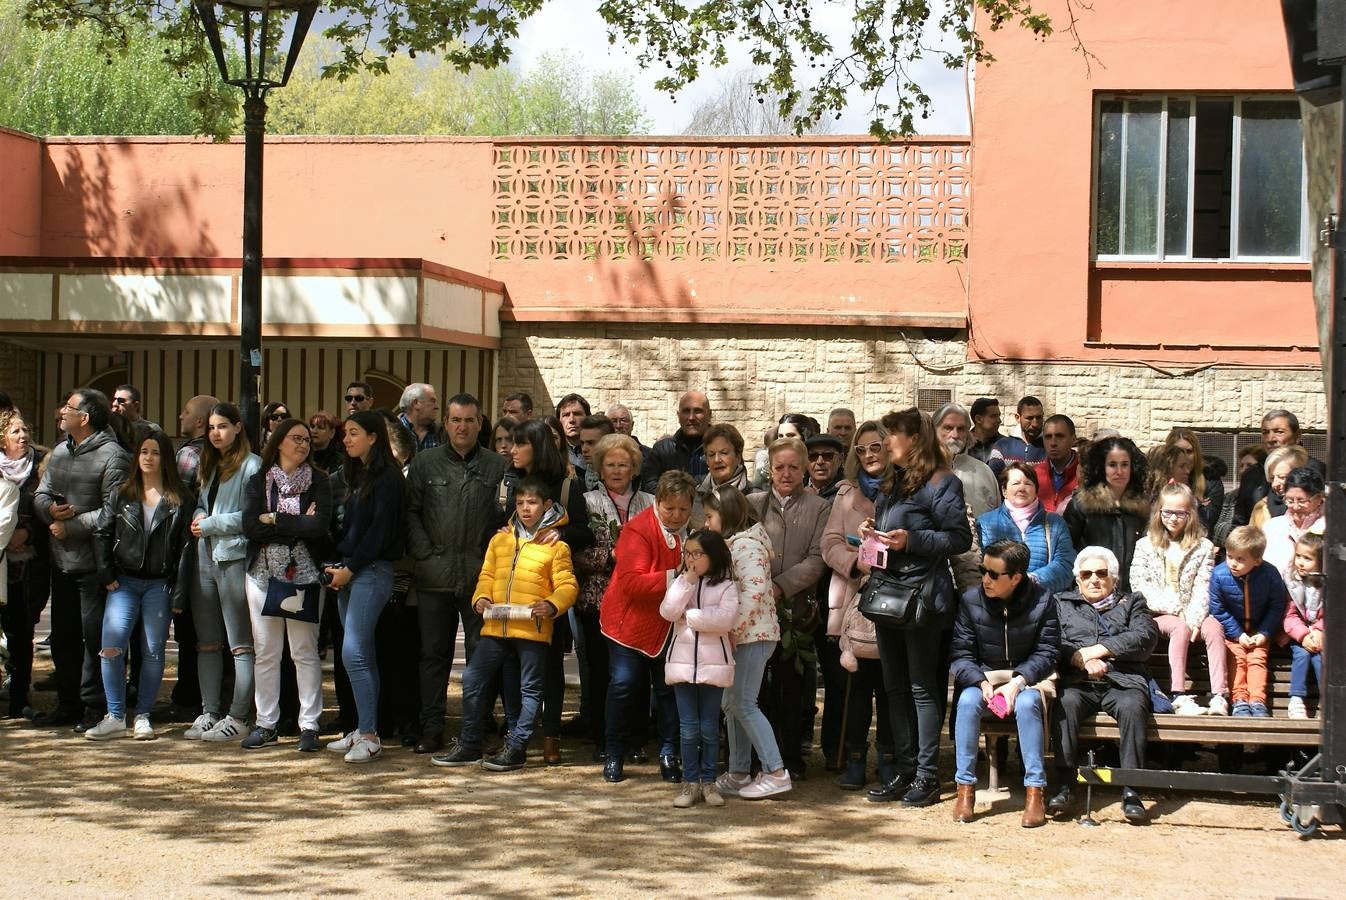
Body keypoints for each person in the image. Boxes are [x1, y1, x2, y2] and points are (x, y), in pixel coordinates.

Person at [859, 408, 972, 807]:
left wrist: (913, 540)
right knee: (894, 689)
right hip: (889, 597)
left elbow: (959, 539)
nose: (885, 443)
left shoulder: (944, 483)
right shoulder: (891, 484)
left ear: (914, 439)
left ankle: (927, 775)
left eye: (891, 435)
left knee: (923, 689)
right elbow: (890, 537)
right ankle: (904, 771)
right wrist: (872, 536)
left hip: (924, 600)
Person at [431, 477, 579, 771]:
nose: (525, 509)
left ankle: (517, 747)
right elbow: (486, 576)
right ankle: (471, 742)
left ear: (547, 505)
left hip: (532, 629)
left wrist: (551, 605)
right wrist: (481, 598)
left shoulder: (556, 546)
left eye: (533, 503)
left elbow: (567, 585)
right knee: (473, 679)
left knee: (529, 689)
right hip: (496, 627)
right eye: (520, 503)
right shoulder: (500, 539)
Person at [404, 393, 506, 755]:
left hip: (481, 577)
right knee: (433, 655)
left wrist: (490, 559)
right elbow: (411, 512)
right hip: (434, 575)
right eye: (455, 420)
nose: (462, 427)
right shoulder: (425, 464)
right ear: (445, 423)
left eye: (469, 420)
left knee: (483, 654)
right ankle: (432, 727)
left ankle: (477, 726)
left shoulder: (498, 467)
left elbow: (506, 520)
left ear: (480, 423)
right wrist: (424, 553)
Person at [33, 388, 132, 729]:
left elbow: (114, 511)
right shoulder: (61, 451)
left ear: (85, 418)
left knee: (94, 638)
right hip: (61, 560)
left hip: (94, 563)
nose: (62, 411)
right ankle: (68, 703)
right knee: (63, 637)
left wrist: (71, 526)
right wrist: (49, 509)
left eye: (69, 407)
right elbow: (41, 492)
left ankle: (94, 706)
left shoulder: (114, 456)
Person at [85, 431, 193, 740]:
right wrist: (106, 574)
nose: (148, 457)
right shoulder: (123, 493)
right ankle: (115, 715)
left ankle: (143, 715)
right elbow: (102, 532)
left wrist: (179, 592)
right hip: (123, 582)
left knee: (153, 650)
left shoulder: (180, 498)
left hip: (159, 584)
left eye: (155, 452)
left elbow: (186, 549)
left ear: (166, 458)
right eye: (143, 451)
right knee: (111, 647)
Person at [238, 418, 333, 752]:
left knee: (304, 652)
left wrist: (275, 518)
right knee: (266, 652)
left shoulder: (319, 482)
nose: (303, 444)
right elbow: (250, 526)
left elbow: (319, 526)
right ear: (278, 442)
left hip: (304, 577)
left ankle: (309, 725)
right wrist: (296, 522)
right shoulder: (257, 481)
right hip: (261, 577)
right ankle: (266, 724)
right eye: (296, 438)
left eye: (307, 440)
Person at [950, 539, 1059, 827]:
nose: (985, 579)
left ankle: (1035, 792)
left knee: (1027, 703)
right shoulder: (971, 601)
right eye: (982, 570)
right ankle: (965, 789)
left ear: (1016, 578)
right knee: (967, 700)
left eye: (993, 574)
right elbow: (961, 654)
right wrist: (979, 681)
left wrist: (1019, 681)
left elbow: (1048, 652)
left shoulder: (1043, 600)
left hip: (1028, 680)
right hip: (984, 677)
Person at [599, 470, 696, 783]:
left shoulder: (694, 531)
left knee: (669, 691)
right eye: (670, 509)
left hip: (669, 626)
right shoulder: (638, 529)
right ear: (658, 503)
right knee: (624, 686)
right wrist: (676, 574)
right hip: (628, 625)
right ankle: (614, 753)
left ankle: (669, 755)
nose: (676, 516)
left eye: (683, 509)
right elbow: (630, 584)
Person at [1049, 546, 1159, 824]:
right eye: (1087, 574)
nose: (1094, 579)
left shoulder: (1132, 602)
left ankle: (1132, 789)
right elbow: (1052, 641)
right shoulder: (1061, 603)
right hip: (1078, 681)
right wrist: (1078, 659)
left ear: (1114, 578)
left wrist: (1099, 650)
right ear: (1078, 579)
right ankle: (1064, 785)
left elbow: (1144, 637)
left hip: (1123, 681)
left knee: (1134, 707)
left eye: (1101, 573)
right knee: (1065, 703)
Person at [323, 411, 406, 762]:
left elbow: (381, 532)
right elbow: (353, 530)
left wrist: (350, 568)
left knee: (353, 652)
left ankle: (370, 735)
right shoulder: (361, 475)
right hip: (351, 570)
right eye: (345, 434)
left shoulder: (388, 477)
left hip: (371, 572)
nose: (346, 439)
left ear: (374, 437)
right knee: (360, 653)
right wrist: (340, 563)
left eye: (354, 433)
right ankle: (362, 727)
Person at [747, 436, 831, 780]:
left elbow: (817, 558)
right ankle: (755, 758)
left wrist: (780, 586)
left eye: (793, 467)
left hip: (796, 609)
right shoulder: (752, 504)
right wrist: (758, 588)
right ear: (769, 469)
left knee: (792, 687)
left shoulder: (819, 508)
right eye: (779, 467)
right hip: (754, 610)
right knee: (756, 687)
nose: (785, 473)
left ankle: (791, 758)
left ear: (805, 468)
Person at [701, 486, 792, 800]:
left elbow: (753, 593)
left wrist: (732, 629)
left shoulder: (747, 546)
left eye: (710, 517)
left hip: (753, 637)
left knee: (743, 704)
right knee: (732, 704)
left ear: (726, 516)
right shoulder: (736, 544)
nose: (706, 523)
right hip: (744, 636)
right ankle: (739, 772)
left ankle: (775, 771)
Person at [821, 420, 896, 791]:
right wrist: (855, 561)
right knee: (853, 686)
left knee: (889, 687)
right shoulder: (845, 494)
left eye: (876, 447)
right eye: (862, 449)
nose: (868, 455)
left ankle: (887, 757)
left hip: (897, 599)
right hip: (854, 598)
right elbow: (829, 542)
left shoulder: (905, 488)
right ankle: (853, 757)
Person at [574, 434, 655, 756]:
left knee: (635, 675)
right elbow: (574, 550)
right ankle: (604, 741)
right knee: (600, 674)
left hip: (640, 602)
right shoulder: (586, 500)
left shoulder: (650, 503)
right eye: (610, 464)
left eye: (624, 464)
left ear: (634, 468)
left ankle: (635, 740)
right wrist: (608, 558)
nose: (617, 470)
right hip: (597, 600)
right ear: (600, 468)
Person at [186, 402, 262, 742]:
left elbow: (251, 515)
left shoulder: (252, 465)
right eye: (212, 428)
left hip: (233, 557)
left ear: (238, 427)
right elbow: (205, 503)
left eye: (222, 426)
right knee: (207, 642)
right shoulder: (211, 463)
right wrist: (200, 515)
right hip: (204, 555)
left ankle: (239, 715)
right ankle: (209, 711)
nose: (216, 433)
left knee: (240, 643)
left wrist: (211, 523)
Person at [1128, 483, 1226, 716]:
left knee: (1214, 629)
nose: (1173, 518)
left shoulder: (1203, 547)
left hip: (1194, 612)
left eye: (1180, 513)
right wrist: (1176, 610)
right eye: (1167, 512)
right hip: (1157, 614)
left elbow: (1204, 586)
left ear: (1190, 514)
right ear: (1159, 512)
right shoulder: (1145, 545)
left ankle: (1219, 695)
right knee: (1179, 627)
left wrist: (1193, 617)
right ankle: (1179, 694)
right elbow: (1140, 587)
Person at [660, 529, 739, 807]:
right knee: (688, 728)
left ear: (713, 556)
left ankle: (709, 782)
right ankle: (689, 783)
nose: (690, 559)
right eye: (688, 553)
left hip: (713, 666)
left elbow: (725, 619)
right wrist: (686, 583)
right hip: (682, 666)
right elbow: (668, 612)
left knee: (708, 727)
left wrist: (690, 616)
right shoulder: (682, 581)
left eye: (697, 554)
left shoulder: (727, 586)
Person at [1, 408, 49, 720]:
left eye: (25, 430)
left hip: (29, 566)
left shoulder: (42, 465)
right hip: (0, 562)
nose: (23, 436)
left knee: (21, 632)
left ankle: (20, 697)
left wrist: (28, 530)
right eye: (15, 431)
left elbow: (49, 504)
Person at [1208, 526, 1287, 718]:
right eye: (1230, 556)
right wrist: (1238, 634)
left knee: (1257, 659)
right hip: (1233, 632)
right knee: (1238, 659)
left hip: (1259, 631)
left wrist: (1265, 632)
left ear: (1257, 560)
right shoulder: (1219, 575)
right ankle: (1240, 700)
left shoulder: (1269, 574)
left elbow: (1277, 605)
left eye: (1240, 559)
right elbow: (1218, 609)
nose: (1233, 563)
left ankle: (1258, 701)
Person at [1063, 436, 1149, 594]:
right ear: (1102, 467)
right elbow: (1066, 552)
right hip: (1091, 594)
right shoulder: (1082, 505)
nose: (1120, 471)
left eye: (1125, 465)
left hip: (1131, 596)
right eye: (1112, 465)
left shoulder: (1142, 508)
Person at [976, 462, 1076, 595]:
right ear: (1004, 490)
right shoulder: (985, 522)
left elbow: (1066, 565)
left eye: (1028, 483)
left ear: (1036, 489)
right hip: (998, 605)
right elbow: (980, 567)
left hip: (1042, 602)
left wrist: (1030, 580)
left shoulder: (1055, 522)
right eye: (1016, 483)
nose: (1022, 488)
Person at [1233, 410, 1323, 528]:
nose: (1270, 439)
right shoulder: (1251, 475)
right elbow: (1239, 522)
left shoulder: (1317, 471)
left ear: (1297, 436)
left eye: (1279, 432)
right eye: (1265, 433)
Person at [1282, 532, 1324, 720]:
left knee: (1321, 657)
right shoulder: (1291, 581)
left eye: (1307, 558)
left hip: (1321, 634)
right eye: (1298, 556)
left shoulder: (1328, 583)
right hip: (1298, 634)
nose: (1300, 562)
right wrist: (1303, 634)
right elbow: (1288, 615)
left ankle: (1329, 699)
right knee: (1302, 653)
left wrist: (1319, 630)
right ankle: (1296, 698)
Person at [933, 402, 999, 517]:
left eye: (961, 429)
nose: (955, 435)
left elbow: (996, 517)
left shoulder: (983, 471)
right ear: (933, 430)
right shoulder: (921, 469)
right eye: (948, 428)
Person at [642, 391, 713, 491]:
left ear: (709, 414)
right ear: (678, 416)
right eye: (686, 411)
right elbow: (649, 485)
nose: (691, 417)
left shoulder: (725, 448)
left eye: (698, 411)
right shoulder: (662, 450)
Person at [1163, 428, 1223, 534]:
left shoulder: (1210, 480)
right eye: (1179, 451)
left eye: (1189, 451)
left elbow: (1207, 521)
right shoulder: (1159, 480)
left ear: (1196, 454)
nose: (1185, 457)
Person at [1249, 445, 1309, 529]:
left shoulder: (1317, 507)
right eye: (1272, 478)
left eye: (1282, 477)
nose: (1275, 484)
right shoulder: (1262, 508)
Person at [988, 396, 1046, 475]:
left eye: (1039, 417)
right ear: (1018, 417)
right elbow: (993, 481)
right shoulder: (1001, 447)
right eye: (1029, 418)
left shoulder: (1050, 446)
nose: (1035, 424)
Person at [1034, 414, 1080, 514]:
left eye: (1060, 436)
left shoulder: (1086, 473)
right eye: (1048, 437)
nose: (1053, 443)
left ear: (1073, 439)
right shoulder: (1034, 475)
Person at [698, 423, 758, 498]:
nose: (717, 460)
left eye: (724, 453)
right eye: (711, 454)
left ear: (738, 457)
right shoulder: (695, 496)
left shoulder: (756, 498)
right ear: (706, 460)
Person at [175, 394, 218, 488]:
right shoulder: (221, 449)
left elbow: (179, 496)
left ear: (199, 421)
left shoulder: (189, 453)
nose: (181, 416)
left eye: (187, 412)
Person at [555, 393, 591, 478]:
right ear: (558, 421)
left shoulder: (599, 448)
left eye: (577, 414)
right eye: (566, 415)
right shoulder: (553, 451)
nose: (571, 420)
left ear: (588, 417)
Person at [397, 384, 440, 452]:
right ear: (416, 403)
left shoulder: (442, 433)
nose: (437, 407)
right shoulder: (391, 431)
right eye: (432, 401)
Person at [578, 414, 616, 490]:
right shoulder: (577, 474)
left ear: (608, 443)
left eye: (590, 443)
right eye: (582, 443)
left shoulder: (623, 477)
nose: (584, 449)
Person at [805, 433, 846, 500]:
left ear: (840, 459)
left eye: (827, 455)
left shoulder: (849, 492)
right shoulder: (795, 487)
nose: (820, 461)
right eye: (813, 456)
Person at [967, 397, 1003, 465]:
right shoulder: (963, 445)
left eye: (999, 416)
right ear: (978, 419)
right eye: (994, 416)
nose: (999, 420)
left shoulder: (1006, 445)